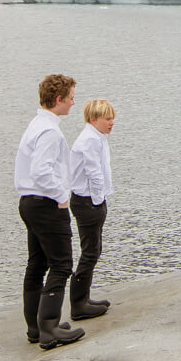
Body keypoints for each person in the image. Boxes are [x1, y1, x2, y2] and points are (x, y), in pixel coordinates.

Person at [14, 73, 84, 348]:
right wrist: (61, 196)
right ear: (58, 99)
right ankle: (50, 328)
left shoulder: (36, 124)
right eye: (70, 98)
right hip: (46, 203)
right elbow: (41, 170)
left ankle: (36, 327)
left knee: (37, 264)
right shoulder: (50, 132)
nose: (73, 103)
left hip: (29, 202)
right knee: (61, 264)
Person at [68, 98, 116, 321]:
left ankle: (84, 298)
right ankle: (78, 304)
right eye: (107, 119)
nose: (111, 122)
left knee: (94, 250)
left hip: (92, 200)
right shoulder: (89, 140)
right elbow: (93, 172)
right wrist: (98, 201)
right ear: (93, 119)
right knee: (90, 252)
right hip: (87, 201)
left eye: (112, 118)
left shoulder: (98, 137)